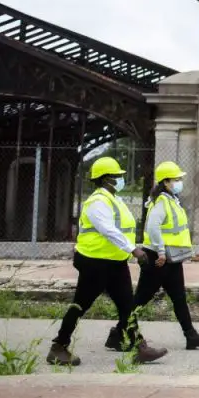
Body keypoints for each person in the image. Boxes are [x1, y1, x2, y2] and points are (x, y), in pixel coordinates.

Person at [47, 157, 168, 366]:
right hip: (95, 262)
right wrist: (134, 251)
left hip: (114, 262)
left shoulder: (115, 199)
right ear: (105, 179)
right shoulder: (97, 202)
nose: (121, 179)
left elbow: (124, 228)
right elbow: (108, 230)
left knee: (127, 306)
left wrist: (131, 250)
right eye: (117, 177)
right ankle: (58, 346)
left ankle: (141, 348)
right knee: (80, 305)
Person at [129, 161, 199, 350]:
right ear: (166, 182)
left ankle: (191, 335)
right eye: (176, 179)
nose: (179, 182)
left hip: (171, 258)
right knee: (141, 299)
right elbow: (152, 227)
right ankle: (120, 331)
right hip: (158, 258)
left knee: (178, 297)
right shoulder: (161, 202)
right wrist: (160, 251)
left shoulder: (170, 200)